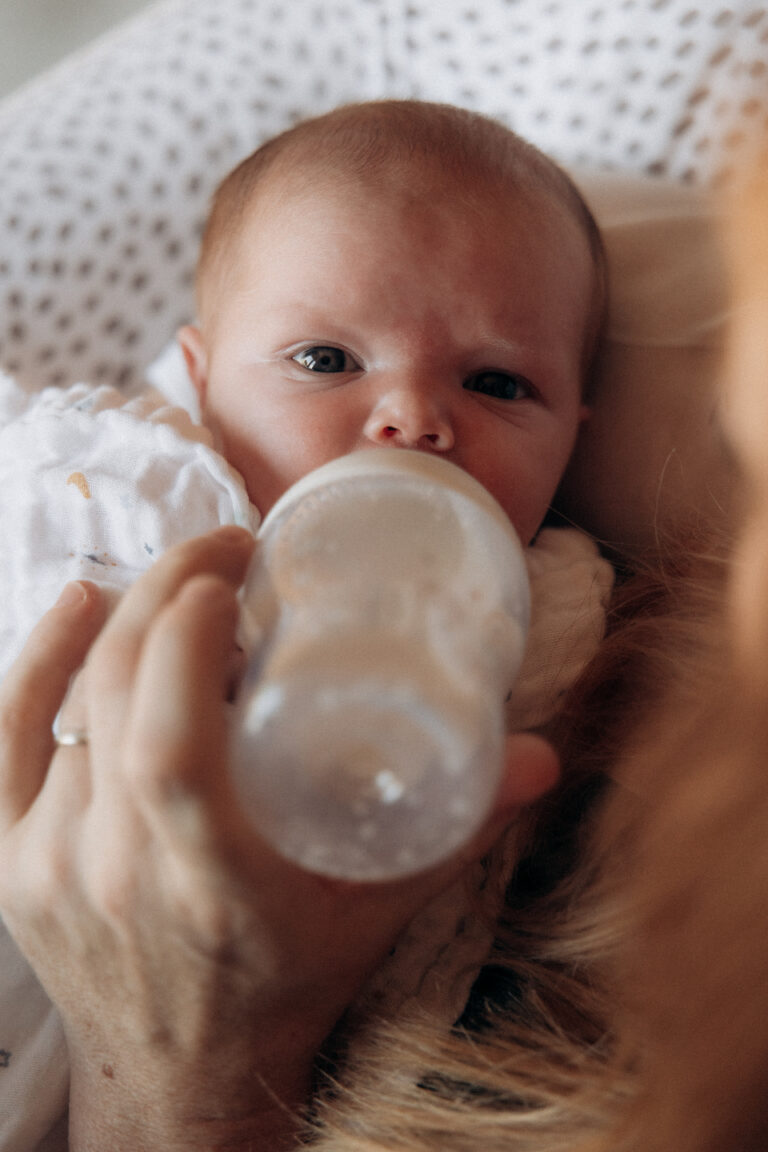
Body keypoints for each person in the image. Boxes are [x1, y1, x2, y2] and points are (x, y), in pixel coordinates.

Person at [0, 100, 614, 1151]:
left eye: (498, 382)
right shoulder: (127, 492)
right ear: (196, 379)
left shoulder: (557, 619)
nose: (412, 418)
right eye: (327, 361)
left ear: (575, 440)